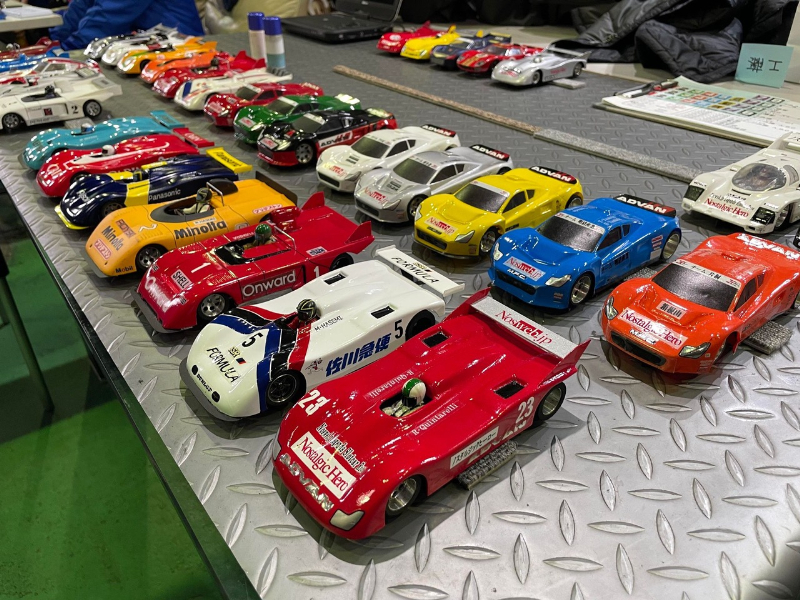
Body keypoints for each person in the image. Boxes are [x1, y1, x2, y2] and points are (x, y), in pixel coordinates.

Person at [49, 0, 204, 51]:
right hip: (142, 44)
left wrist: (64, 50)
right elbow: (80, 7)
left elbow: (105, 20)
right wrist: (54, 41)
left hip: (178, 48)